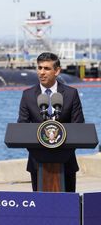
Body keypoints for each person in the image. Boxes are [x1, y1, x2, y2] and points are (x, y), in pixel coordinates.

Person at [17, 52, 84, 192]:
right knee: (41, 209)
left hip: (67, 163)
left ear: (57, 71)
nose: (42, 72)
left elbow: (79, 128)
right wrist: (41, 153)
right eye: (39, 68)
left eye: (47, 68)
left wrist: (60, 153)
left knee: (68, 208)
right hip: (37, 163)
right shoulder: (28, 95)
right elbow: (22, 129)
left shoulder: (71, 94)